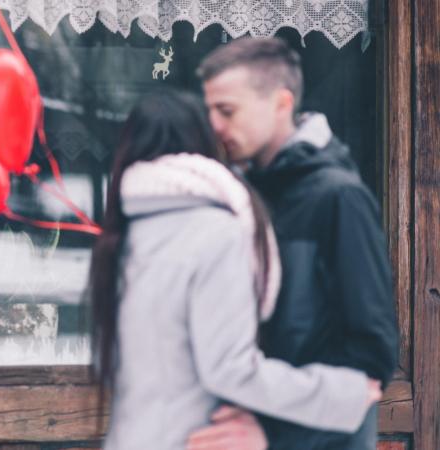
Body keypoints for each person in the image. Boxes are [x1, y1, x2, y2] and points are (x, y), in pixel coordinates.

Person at [89, 91, 383, 450]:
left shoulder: (119, 238)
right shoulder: (216, 232)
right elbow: (230, 369)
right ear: (202, 143)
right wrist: (341, 394)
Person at [190, 37, 398, 449]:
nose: (214, 124)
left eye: (227, 110)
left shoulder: (339, 198)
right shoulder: (242, 194)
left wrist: (272, 436)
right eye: (210, 110)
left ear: (281, 104)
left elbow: (373, 358)